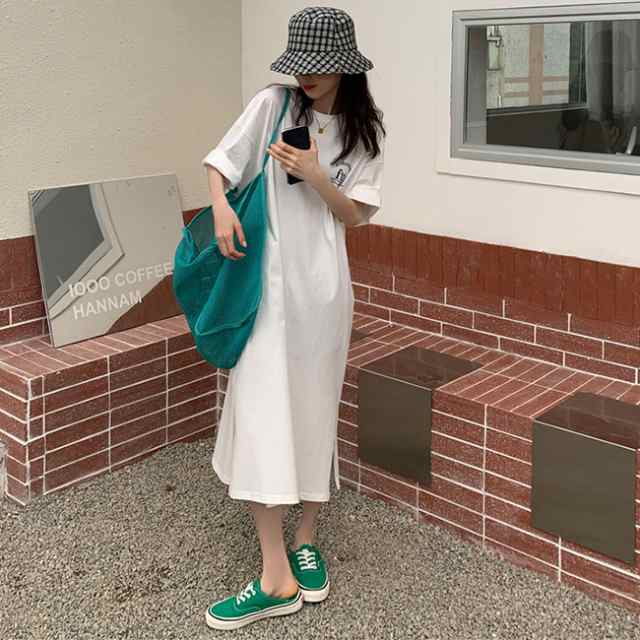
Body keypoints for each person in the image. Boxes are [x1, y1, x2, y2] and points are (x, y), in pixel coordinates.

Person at [202, 6, 386, 630]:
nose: (306, 76)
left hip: (325, 294)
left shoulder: (364, 134)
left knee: (313, 410)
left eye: (319, 67)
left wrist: (313, 175)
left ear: (345, 67)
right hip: (267, 293)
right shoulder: (273, 105)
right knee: (260, 413)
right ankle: (275, 573)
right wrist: (221, 206)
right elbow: (220, 162)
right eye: (299, 64)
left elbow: (356, 214)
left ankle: (305, 537)